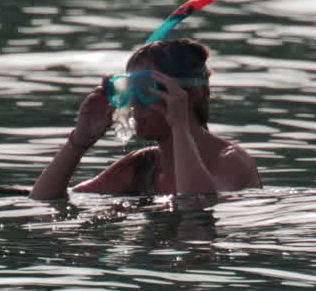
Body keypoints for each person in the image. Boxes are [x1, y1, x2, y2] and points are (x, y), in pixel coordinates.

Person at [30, 38, 262, 199]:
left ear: (187, 95)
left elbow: (196, 211)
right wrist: (78, 142)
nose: (134, 102)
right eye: (126, 89)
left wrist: (179, 126)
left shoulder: (231, 161)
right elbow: (45, 201)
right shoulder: (144, 165)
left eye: (145, 89)